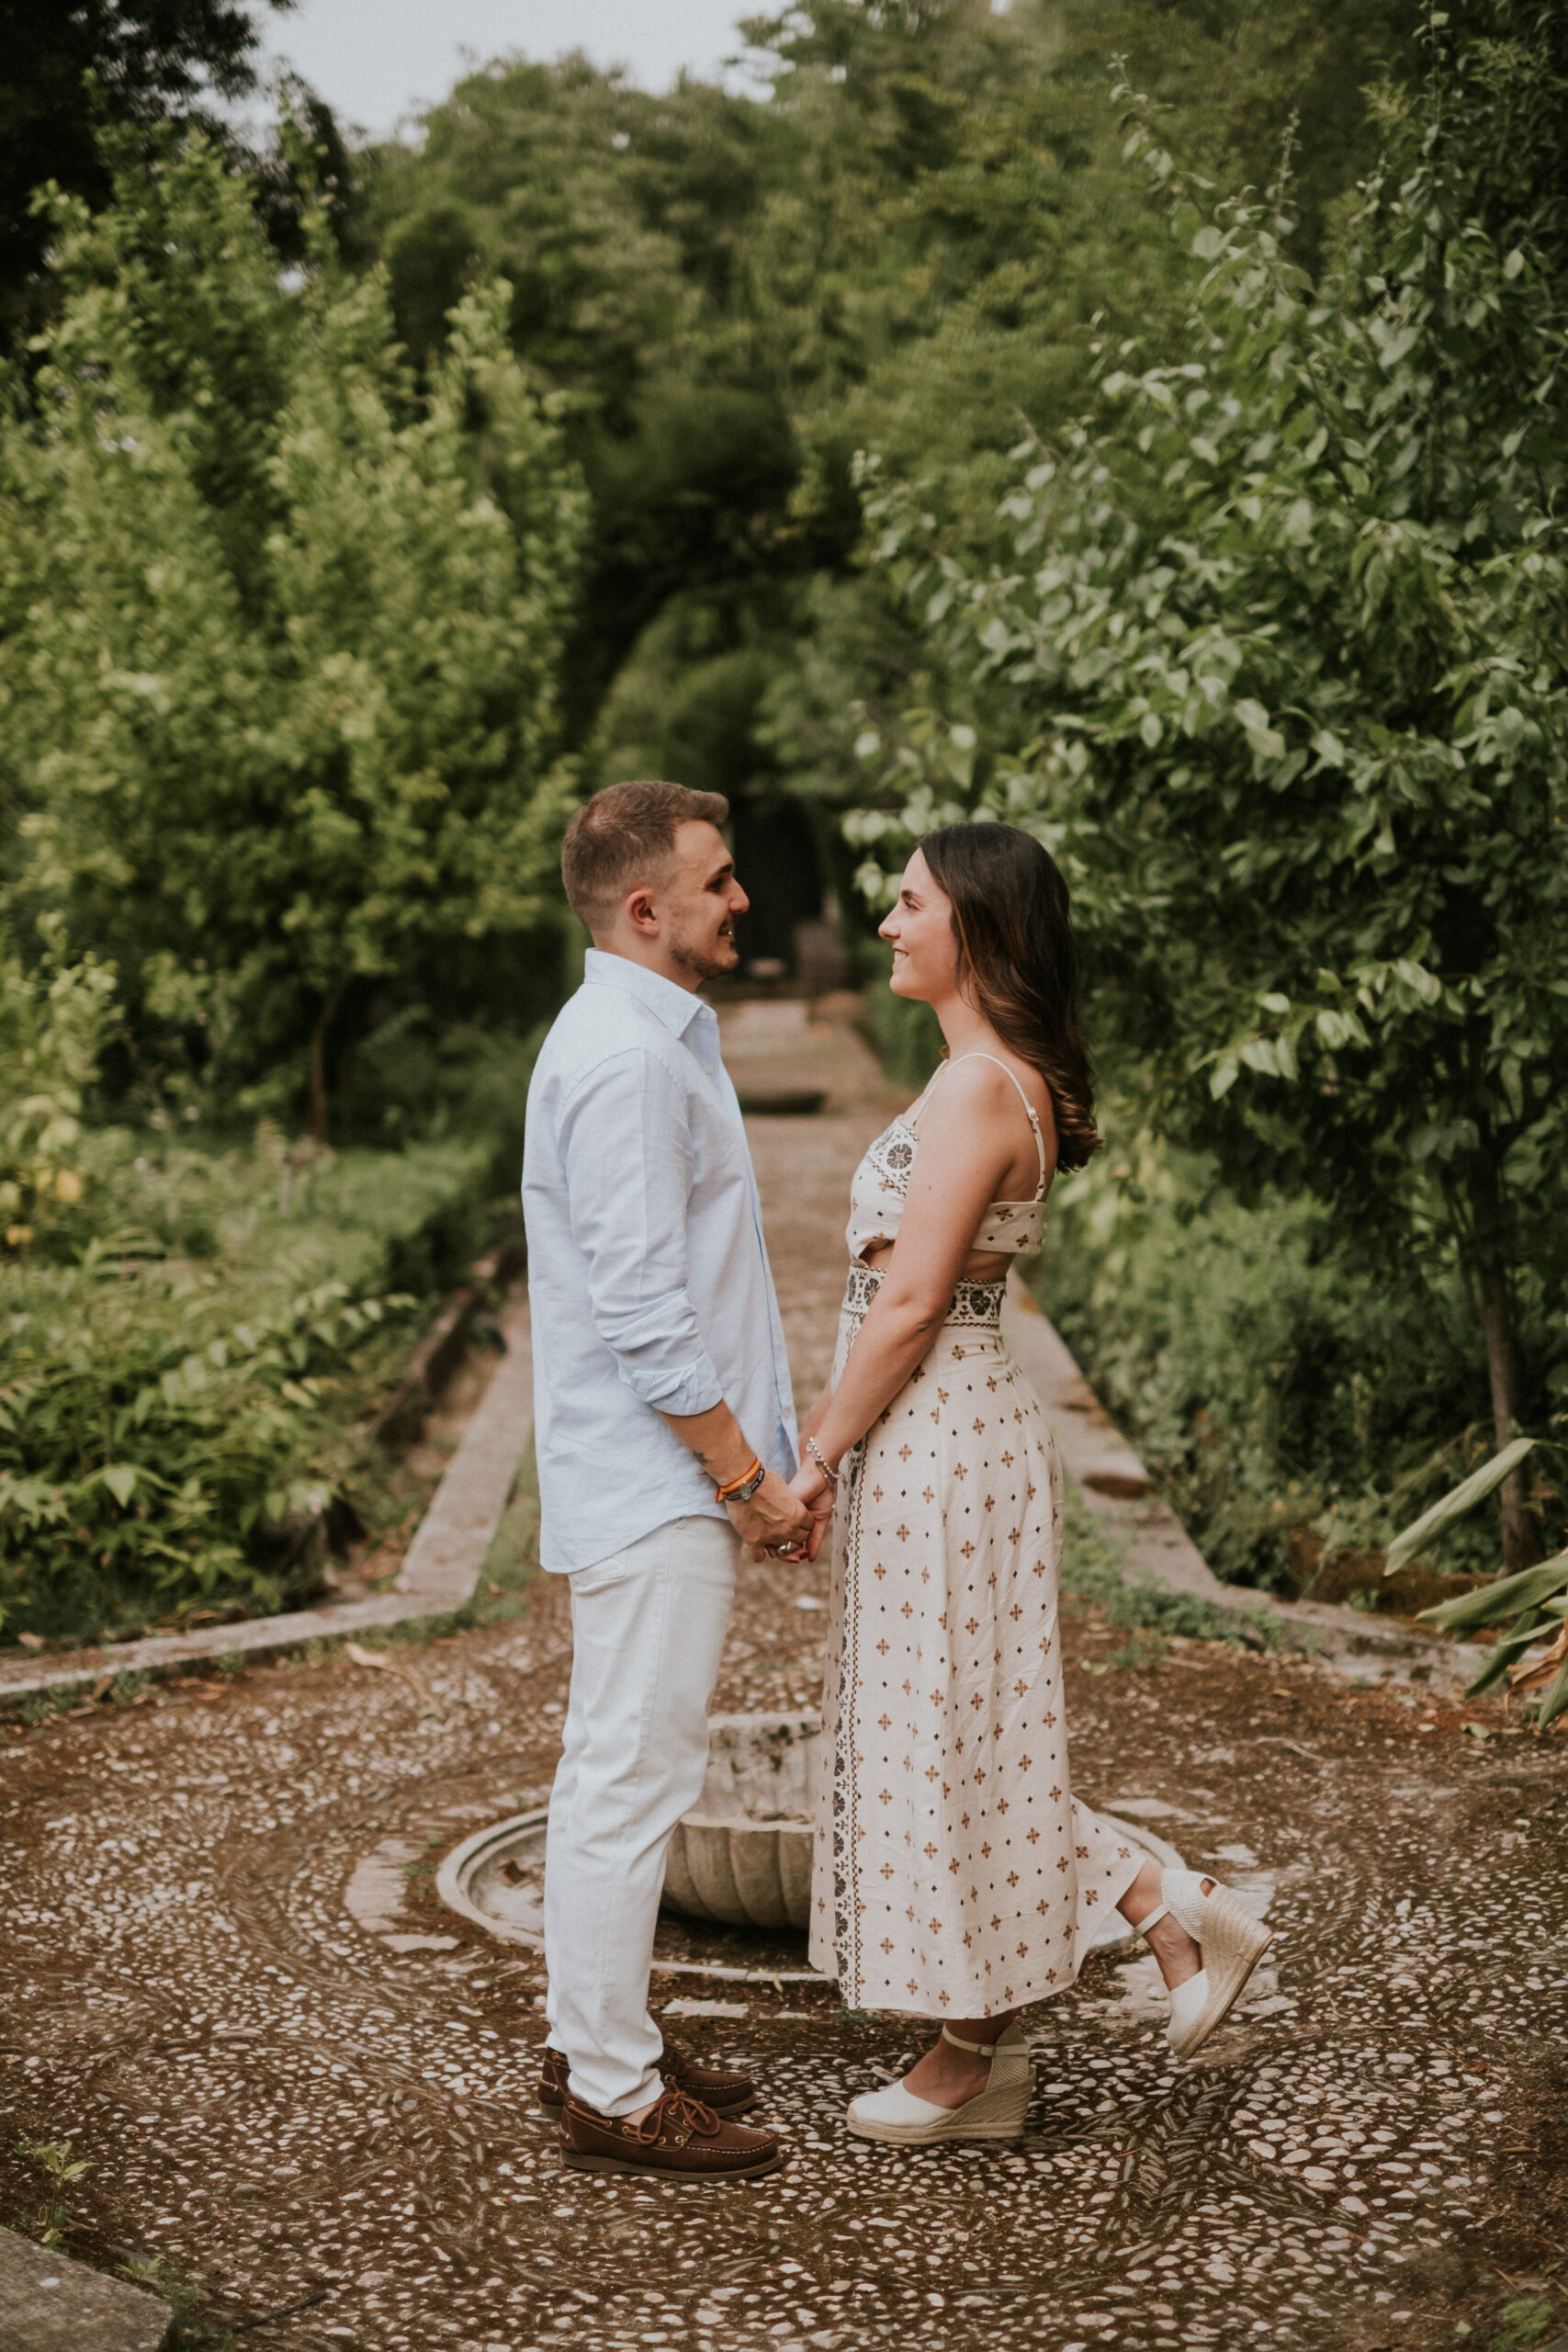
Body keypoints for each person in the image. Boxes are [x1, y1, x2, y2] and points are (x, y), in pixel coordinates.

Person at [788, 822, 1271, 2144]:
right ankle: (1000, 2038)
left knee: (942, 1745)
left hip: (938, 1433)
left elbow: (910, 1305)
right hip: (957, 1427)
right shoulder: (1003, 1081)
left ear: (980, 927)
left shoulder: (975, 1090)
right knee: (962, 1740)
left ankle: (1149, 1922)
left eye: (910, 903)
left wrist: (815, 1457)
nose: (887, 925)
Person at [523, 779, 818, 2181]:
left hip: (653, 1475)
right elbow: (645, 1313)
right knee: (631, 1779)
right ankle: (612, 2089)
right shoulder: (629, 1060)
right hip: (658, 1480)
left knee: (619, 1766)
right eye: (719, 880)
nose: (741, 899)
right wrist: (746, 1476)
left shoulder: (642, 1037)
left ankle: (599, 2036)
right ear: (646, 909)